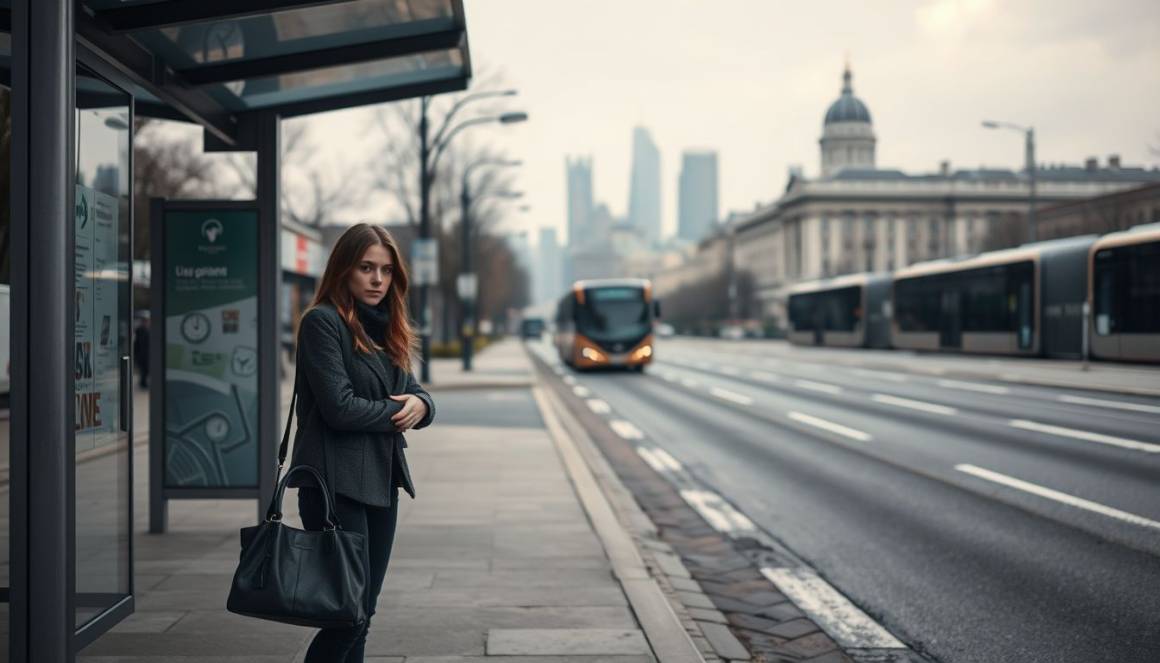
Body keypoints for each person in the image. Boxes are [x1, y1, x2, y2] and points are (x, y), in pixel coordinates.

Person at [287, 223, 435, 662]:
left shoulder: (387, 328)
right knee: (347, 617)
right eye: (366, 268)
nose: (377, 280)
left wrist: (423, 407)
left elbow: (417, 392)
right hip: (335, 484)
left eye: (386, 271)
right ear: (343, 270)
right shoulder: (322, 323)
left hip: (380, 482)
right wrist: (398, 411)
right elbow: (339, 407)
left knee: (363, 612)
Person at [132, 315, 150, 389]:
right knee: (144, 370)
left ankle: (143, 382)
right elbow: (137, 343)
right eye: (145, 321)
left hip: (145, 353)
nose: (146, 322)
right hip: (142, 354)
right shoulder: (140, 330)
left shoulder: (147, 330)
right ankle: (143, 383)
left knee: (145, 370)